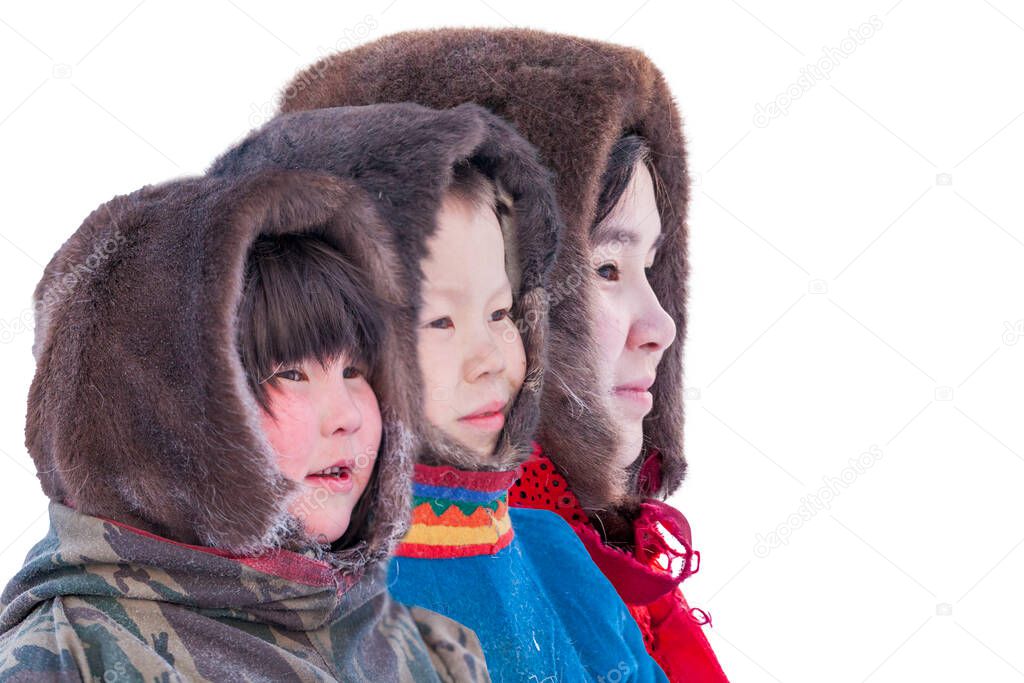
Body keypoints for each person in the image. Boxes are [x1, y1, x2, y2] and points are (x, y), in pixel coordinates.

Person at [277, 28, 729, 682]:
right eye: (603, 267)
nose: (660, 323)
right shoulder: (305, 587)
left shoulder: (578, 567)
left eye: (651, 268)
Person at [210, 101, 668, 682]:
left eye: (502, 312)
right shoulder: (289, 598)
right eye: (440, 323)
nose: (491, 360)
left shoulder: (556, 554)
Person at [0, 167, 489, 681]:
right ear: (162, 415)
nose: (346, 416)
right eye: (290, 373)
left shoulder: (437, 653)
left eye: (355, 370)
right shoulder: (65, 663)